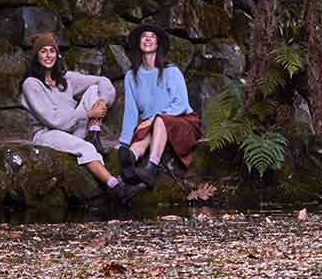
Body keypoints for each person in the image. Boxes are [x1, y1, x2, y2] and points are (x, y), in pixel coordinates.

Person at [19, 32, 139, 202]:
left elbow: (103, 81)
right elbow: (53, 120)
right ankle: (116, 188)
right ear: (36, 55)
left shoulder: (65, 79)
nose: (48, 55)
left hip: (73, 128)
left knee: (94, 89)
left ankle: (94, 134)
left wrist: (102, 102)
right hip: (47, 133)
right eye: (43, 51)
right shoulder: (31, 84)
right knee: (86, 149)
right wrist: (89, 113)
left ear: (57, 54)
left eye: (51, 51)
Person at [116, 24, 202, 188]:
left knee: (158, 121)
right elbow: (130, 112)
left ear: (158, 44)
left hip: (182, 122)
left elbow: (181, 104)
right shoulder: (130, 76)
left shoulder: (172, 71)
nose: (148, 38)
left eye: (152, 36)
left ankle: (151, 168)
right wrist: (124, 142)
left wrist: (155, 118)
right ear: (138, 44)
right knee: (145, 132)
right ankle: (130, 160)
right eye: (143, 36)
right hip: (153, 125)